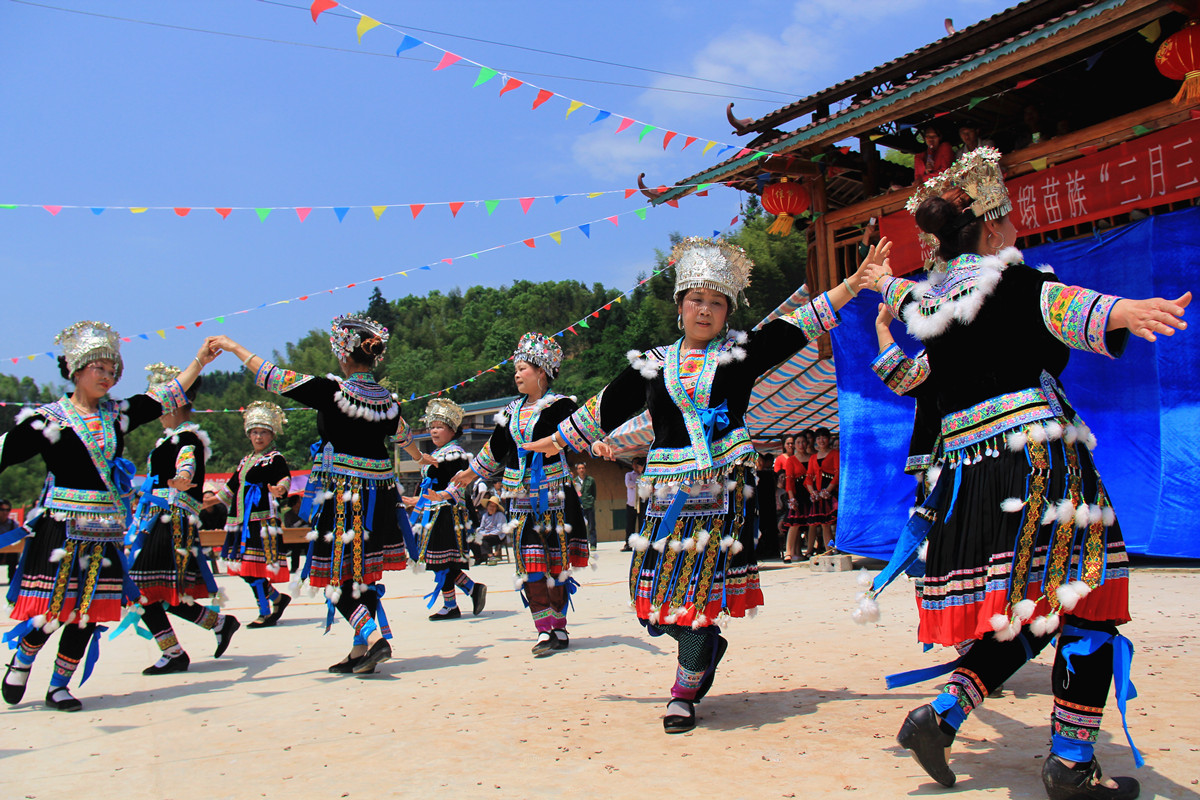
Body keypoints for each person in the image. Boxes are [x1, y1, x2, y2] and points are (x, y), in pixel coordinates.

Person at [859, 145, 1190, 799]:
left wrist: (878, 287)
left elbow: (905, 311)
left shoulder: (932, 300)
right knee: (1090, 596)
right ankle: (1069, 765)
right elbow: (1063, 306)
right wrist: (1125, 311)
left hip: (972, 480)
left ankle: (940, 716)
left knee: (1033, 612)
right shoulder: (1012, 282)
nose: (1017, 232)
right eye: (1009, 221)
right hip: (1039, 468)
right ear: (990, 229)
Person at [528, 235, 877, 733]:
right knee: (648, 595)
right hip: (665, 490)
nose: (706, 309)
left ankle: (684, 692)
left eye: (717, 302)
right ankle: (705, 649)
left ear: (728, 311)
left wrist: (851, 284)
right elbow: (605, 405)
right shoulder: (652, 361)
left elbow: (795, 327)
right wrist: (558, 441)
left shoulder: (739, 352)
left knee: (693, 592)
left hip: (721, 487)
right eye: (697, 299)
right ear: (679, 306)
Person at [1, 322, 213, 711]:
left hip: (105, 529)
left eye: (113, 370)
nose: (108, 376)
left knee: (88, 613)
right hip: (62, 526)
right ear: (76, 370)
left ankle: (59, 686)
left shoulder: (116, 415)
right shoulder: (47, 419)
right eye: (100, 368)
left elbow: (163, 396)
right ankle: (24, 656)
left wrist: (199, 360)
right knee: (55, 608)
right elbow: (4, 453)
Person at [209, 316, 430, 675]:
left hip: (344, 496)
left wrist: (234, 348)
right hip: (380, 496)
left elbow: (273, 375)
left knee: (334, 574)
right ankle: (361, 651)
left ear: (344, 355)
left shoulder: (334, 392)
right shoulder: (389, 401)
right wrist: (421, 458)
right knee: (363, 576)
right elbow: (402, 435)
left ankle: (373, 637)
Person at [451, 332, 589, 657]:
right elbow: (496, 448)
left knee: (557, 565)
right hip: (520, 497)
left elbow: (576, 435)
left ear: (542, 372)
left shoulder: (561, 405)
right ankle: (543, 629)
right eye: (515, 368)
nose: (516, 374)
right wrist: (470, 473)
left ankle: (559, 624)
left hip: (555, 494)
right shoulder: (511, 410)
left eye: (523, 368)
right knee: (531, 564)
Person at [126, 363, 239, 675]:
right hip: (160, 519)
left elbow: (186, 464)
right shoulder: (171, 438)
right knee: (162, 591)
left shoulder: (187, 439)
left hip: (171, 520)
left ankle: (175, 651)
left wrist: (182, 478)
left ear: (174, 403)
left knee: (143, 590)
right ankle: (217, 624)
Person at [404, 398, 487, 621]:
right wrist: (416, 502)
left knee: (441, 559)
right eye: (431, 427)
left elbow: (458, 484)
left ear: (452, 430)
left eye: (439, 427)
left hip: (448, 513)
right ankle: (468, 591)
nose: (434, 431)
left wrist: (441, 496)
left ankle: (454, 602)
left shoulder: (455, 453)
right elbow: (431, 488)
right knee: (440, 560)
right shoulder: (437, 454)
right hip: (434, 512)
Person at [216, 401, 292, 629]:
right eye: (255, 432)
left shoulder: (275, 458)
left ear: (271, 436)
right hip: (241, 521)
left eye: (264, 433)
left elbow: (284, 478)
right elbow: (229, 489)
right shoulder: (245, 461)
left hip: (260, 520)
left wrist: (280, 489)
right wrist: (203, 502)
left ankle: (265, 611)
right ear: (249, 434)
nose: (259, 437)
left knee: (252, 568)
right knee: (242, 567)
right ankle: (277, 599)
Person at [804, 428, 839, 555]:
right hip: (819, 494)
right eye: (818, 438)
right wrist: (813, 492)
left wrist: (828, 490)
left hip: (832, 492)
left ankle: (837, 548)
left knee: (834, 522)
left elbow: (837, 473)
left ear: (828, 439)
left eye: (823, 437)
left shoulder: (835, 454)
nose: (821, 441)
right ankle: (829, 550)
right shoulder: (813, 457)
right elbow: (808, 478)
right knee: (824, 524)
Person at [774, 434, 805, 562]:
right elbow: (779, 475)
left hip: (804, 490)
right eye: (789, 443)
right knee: (794, 522)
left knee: (803, 523)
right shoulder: (783, 459)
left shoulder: (804, 457)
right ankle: (789, 552)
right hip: (788, 492)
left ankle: (798, 551)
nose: (791, 445)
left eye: (793, 443)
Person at [621, 458, 646, 552]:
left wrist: (638, 482)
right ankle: (628, 544)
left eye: (638, 465)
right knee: (629, 525)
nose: (636, 467)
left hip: (642, 503)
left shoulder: (644, 475)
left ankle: (641, 544)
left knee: (641, 524)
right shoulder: (629, 475)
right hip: (631, 504)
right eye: (634, 464)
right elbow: (629, 484)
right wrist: (639, 482)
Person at [476, 496, 507, 561]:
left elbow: (499, 530)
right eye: (490, 506)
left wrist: (488, 534)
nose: (491, 508)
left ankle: (490, 556)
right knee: (473, 540)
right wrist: (482, 533)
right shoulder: (485, 515)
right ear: (487, 507)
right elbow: (482, 528)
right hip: (487, 534)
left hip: (498, 536)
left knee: (484, 539)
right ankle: (480, 557)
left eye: (494, 506)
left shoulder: (500, 515)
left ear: (496, 508)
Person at [575, 462, 598, 550]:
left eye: (583, 468)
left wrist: (591, 501)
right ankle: (581, 544)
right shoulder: (575, 481)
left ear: (585, 469)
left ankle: (593, 544)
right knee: (580, 526)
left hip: (589, 505)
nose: (581, 470)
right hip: (580, 506)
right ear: (577, 470)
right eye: (579, 468)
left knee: (591, 526)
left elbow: (594, 493)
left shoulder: (590, 480)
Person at [0, 499, 19, 583]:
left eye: (7, 510)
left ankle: (12, 579)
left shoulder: (13, 524)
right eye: (2, 510)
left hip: (8, 550)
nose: (5, 512)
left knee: (14, 555)